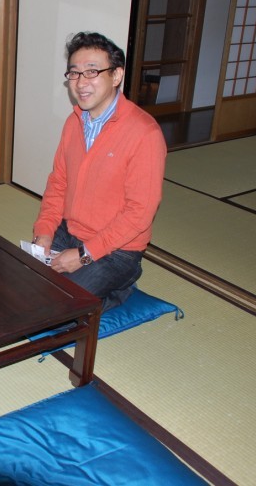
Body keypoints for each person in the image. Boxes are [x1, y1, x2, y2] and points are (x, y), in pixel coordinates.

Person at [32, 32, 167, 312]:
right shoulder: (74, 122)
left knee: (59, 306)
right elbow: (58, 183)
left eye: (92, 72)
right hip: (70, 231)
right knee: (23, 280)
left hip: (117, 250)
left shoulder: (145, 133)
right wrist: (43, 233)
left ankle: (121, 286)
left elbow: (139, 213)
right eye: (74, 73)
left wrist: (83, 255)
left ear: (116, 75)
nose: (81, 83)